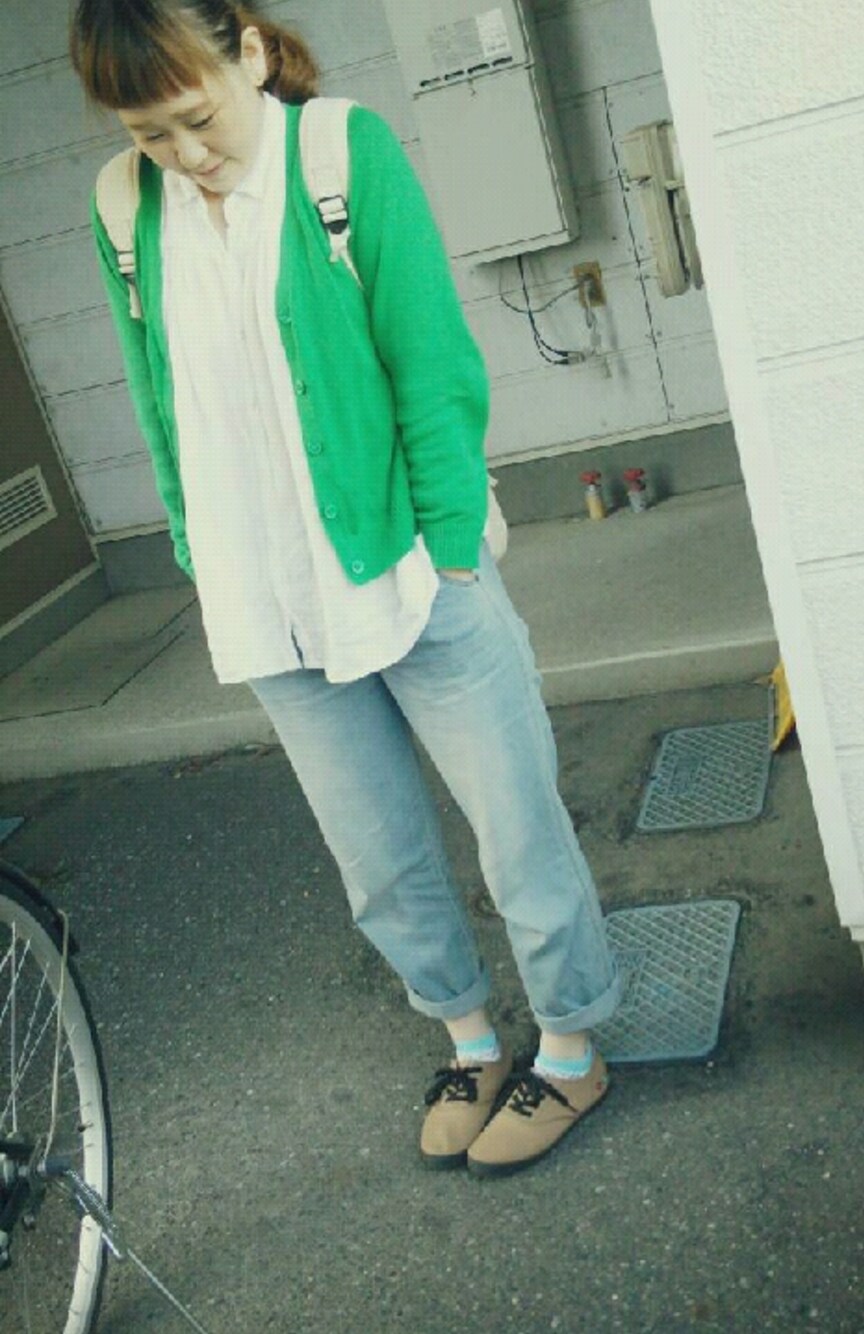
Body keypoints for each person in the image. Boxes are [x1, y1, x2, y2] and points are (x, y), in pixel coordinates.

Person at [71, 0, 620, 1177]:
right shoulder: (123, 206)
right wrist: (192, 541)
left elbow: (431, 360)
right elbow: (155, 390)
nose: (184, 154)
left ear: (248, 52)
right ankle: (470, 1039)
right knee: (375, 854)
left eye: (196, 117)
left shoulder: (337, 152)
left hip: (409, 565)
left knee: (515, 825)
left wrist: (451, 544)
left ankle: (572, 1046)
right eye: (149, 133)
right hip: (265, 595)